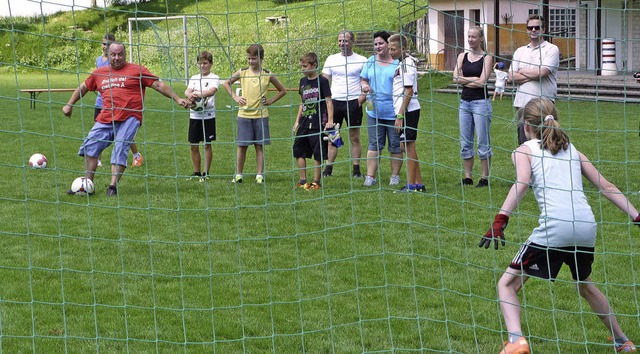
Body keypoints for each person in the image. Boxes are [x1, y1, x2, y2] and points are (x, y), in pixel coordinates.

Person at [480, 98, 639, 354]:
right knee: (585, 284)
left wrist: (501, 219)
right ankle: (623, 342)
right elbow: (606, 186)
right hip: (586, 227)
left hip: (556, 227)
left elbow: (521, 184)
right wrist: (636, 215)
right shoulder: (572, 149)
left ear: (526, 127)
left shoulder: (524, 150)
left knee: (507, 285)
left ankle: (516, 341)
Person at [62, 41, 189, 196]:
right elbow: (83, 87)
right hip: (107, 117)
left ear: (125, 54)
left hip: (131, 116)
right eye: (113, 54)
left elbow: (158, 85)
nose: (116, 58)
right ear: (108, 55)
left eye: (120, 54)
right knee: (90, 146)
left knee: (120, 146)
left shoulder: (137, 70)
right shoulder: (99, 73)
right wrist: (69, 104)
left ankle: (112, 187)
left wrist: (177, 99)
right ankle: (88, 185)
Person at [221, 44, 287, 184]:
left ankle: (259, 175)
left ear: (261, 58)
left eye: (254, 59)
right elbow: (226, 83)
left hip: (261, 115)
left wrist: (269, 101)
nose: (251, 61)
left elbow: (282, 90)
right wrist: (236, 98)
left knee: (259, 146)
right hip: (244, 115)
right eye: (249, 59)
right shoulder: (242, 72)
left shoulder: (267, 74)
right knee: (242, 146)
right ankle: (238, 174)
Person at [321, 31, 367, 178]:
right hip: (335, 103)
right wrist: (325, 101)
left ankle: (356, 170)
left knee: (354, 136)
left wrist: (361, 98)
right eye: (340, 41)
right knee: (332, 136)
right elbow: (325, 82)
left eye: (345, 41)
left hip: (354, 102)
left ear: (352, 41)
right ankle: (328, 169)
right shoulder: (331, 59)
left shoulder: (362, 60)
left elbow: (366, 82)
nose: (342, 44)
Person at [94, 34, 143, 168]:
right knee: (98, 132)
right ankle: (97, 158)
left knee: (124, 133)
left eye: (109, 44)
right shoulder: (99, 60)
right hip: (101, 103)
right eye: (104, 44)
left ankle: (136, 154)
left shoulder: (120, 63)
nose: (106, 46)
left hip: (118, 105)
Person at [453, 26, 493, 188]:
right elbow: (455, 78)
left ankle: (484, 178)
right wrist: (474, 79)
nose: (470, 40)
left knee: (483, 141)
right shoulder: (462, 56)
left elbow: (483, 81)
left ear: (481, 38)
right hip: (465, 103)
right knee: (465, 142)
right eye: (468, 36)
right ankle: (467, 177)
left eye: (474, 37)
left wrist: (467, 79)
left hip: (481, 103)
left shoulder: (487, 58)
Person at [510, 14, 560, 145]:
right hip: (523, 105)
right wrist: (534, 73)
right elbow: (511, 77)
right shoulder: (520, 51)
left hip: (544, 106)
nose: (533, 30)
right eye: (530, 27)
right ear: (526, 29)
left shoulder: (552, 49)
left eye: (537, 27)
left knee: (546, 143)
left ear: (543, 29)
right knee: (524, 144)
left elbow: (543, 72)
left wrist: (522, 72)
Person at [360, 31, 401, 187]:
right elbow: (364, 79)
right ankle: (370, 176)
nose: (377, 47)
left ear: (388, 44)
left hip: (393, 112)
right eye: (375, 44)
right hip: (374, 110)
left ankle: (395, 176)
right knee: (374, 144)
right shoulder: (370, 61)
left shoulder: (397, 62)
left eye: (381, 43)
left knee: (395, 146)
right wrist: (364, 86)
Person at [387, 33, 425, 193]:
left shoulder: (407, 64)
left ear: (403, 48)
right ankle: (419, 183)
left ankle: (411, 185)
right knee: (405, 145)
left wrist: (401, 115)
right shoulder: (400, 64)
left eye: (393, 49)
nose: (390, 52)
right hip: (404, 110)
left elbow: (408, 91)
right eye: (389, 49)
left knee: (409, 146)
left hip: (408, 110)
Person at [293, 52, 334, 190]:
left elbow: (329, 102)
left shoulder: (322, 81)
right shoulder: (302, 81)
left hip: (318, 123)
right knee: (298, 150)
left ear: (314, 65)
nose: (302, 69)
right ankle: (303, 180)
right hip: (304, 122)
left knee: (318, 152)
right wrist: (297, 121)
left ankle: (316, 182)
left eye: (305, 66)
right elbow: (302, 102)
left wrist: (330, 120)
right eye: (301, 66)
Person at [185, 51, 219, 182]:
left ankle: (206, 173)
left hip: (208, 116)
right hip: (194, 116)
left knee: (207, 144)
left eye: (205, 63)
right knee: (193, 145)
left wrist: (197, 94)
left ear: (211, 64)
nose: (202, 66)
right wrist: (190, 95)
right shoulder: (194, 78)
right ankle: (196, 172)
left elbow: (211, 91)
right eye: (200, 63)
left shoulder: (214, 78)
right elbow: (187, 91)